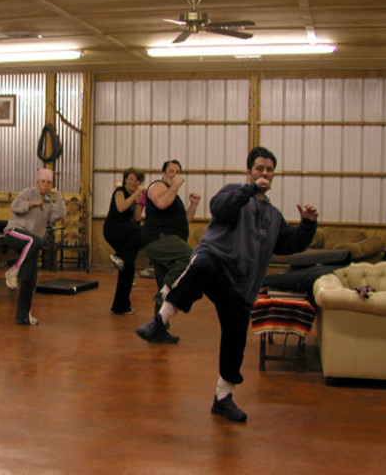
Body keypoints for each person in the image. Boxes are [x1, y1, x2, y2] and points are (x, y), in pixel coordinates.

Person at [135, 146, 319, 423]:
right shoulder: (233, 193)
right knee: (202, 262)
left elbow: (291, 244)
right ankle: (160, 320)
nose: (264, 174)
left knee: (235, 341)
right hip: (217, 267)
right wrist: (248, 190)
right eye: (259, 168)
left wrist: (307, 225)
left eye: (269, 170)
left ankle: (223, 397)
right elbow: (219, 208)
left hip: (242, 287)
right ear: (249, 171)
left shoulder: (273, 216)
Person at [3, 168, 67, 325]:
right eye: (42, 182)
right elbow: (15, 206)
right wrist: (32, 203)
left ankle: (23, 316)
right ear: (37, 183)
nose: (45, 185)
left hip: (31, 243)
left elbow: (60, 215)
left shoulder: (47, 204)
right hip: (15, 233)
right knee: (36, 242)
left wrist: (57, 196)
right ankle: (13, 270)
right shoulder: (29, 193)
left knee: (31, 279)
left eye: (48, 182)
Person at [141, 160, 201, 322]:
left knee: (163, 283)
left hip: (169, 240)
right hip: (159, 238)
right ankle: (164, 292)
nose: (174, 175)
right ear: (163, 173)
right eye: (170, 171)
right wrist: (176, 185)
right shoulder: (157, 185)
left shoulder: (172, 195)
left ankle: (157, 327)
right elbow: (160, 203)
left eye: (177, 172)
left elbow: (185, 220)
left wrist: (193, 205)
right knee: (191, 257)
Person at [103, 168, 145, 315]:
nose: (134, 182)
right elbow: (121, 208)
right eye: (131, 179)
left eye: (137, 180)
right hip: (113, 229)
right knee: (139, 231)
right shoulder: (120, 192)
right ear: (125, 179)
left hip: (127, 233)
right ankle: (119, 255)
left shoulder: (135, 196)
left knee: (129, 268)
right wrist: (135, 195)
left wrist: (141, 201)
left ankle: (121, 306)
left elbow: (137, 218)